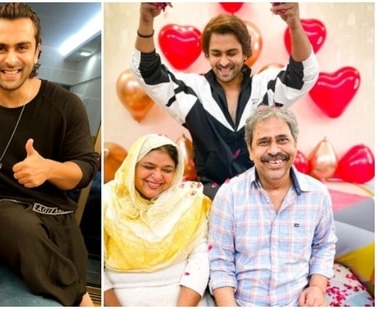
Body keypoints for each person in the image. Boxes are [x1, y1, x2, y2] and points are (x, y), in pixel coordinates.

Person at [0, 3, 99, 306]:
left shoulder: (66, 105)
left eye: (22, 47)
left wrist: (50, 170)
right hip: (3, 215)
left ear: (37, 51)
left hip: (58, 221)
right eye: (0, 48)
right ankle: (82, 299)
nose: (11, 59)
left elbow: (86, 168)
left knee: (70, 254)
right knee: (11, 220)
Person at [131, 3, 319, 199]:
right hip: (212, 198)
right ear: (206, 54)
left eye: (231, 53)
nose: (223, 62)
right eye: (216, 54)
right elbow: (148, 73)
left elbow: (304, 75)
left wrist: (294, 24)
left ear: (245, 53)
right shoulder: (192, 90)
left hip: (263, 196)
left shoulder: (265, 87)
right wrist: (146, 19)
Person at [208, 106, 337, 306]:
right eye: (263, 142)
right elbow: (220, 260)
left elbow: (324, 245)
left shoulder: (317, 194)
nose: (274, 150)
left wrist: (317, 288)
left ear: (295, 144)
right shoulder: (229, 195)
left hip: (298, 303)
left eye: (282, 139)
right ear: (250, 151)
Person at [103, 133, 212, 306]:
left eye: (167, 170)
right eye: (149, 166)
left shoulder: (190, 202)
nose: (157, 176)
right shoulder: (108, 201)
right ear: (133, 166)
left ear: (176, 172)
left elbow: (200, 261)